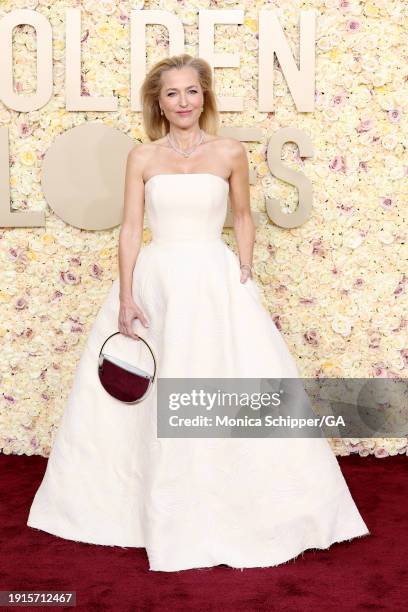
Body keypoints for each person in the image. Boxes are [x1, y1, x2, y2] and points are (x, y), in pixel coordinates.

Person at [27, 53, 370, 572]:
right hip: (157, 281)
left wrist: (246, 268)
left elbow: (241, 216)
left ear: (204, 96)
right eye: (172, 93)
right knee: (152, 397)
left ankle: (243, 506)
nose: (183, 101)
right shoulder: (142, 158)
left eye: (192, 91)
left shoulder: (230, 151)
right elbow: (129, 230)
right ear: (158, 103)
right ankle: (144, 509)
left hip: (215, 278)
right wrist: (125, 296)